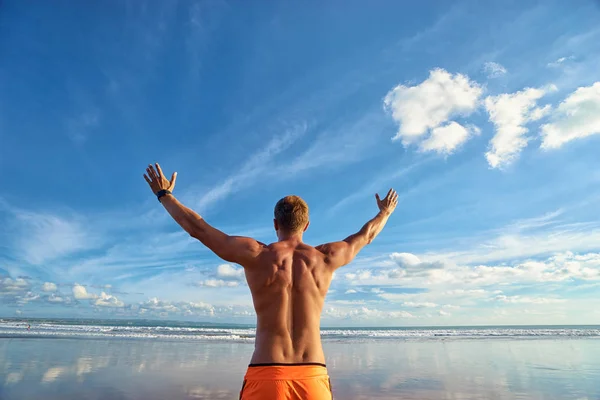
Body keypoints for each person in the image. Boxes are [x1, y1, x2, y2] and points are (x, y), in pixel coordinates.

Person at [144, 163, 398, 400]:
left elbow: (198, 229)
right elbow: (366, 236)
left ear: (275, 223)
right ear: (306, 225)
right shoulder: (326, 258)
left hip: (266, 375)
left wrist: (165, 195)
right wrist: (384, 212)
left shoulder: (256, 255)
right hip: (312, 376)